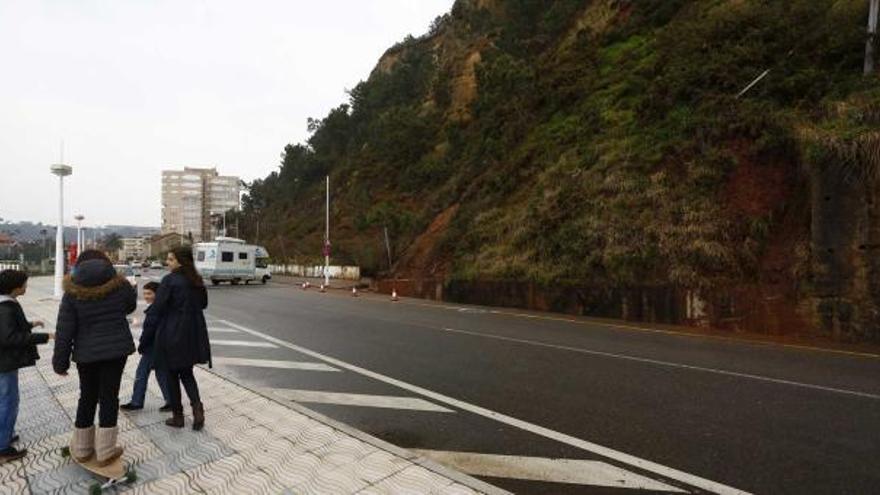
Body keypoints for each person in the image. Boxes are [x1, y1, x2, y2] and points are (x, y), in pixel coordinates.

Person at [53, 250, 136, 466]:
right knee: (109, 396)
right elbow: (130, 307)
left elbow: (64, 329)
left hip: (86, 354)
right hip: (115, 351)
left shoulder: (71, 292)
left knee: (87, 396)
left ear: (79, 265)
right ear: (106, 263)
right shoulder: (121, 285)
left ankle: (82, 449)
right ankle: (106, 452)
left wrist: (60, 362)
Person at [152, 247, 211, 430]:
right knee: (187, 373)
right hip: (192, 334)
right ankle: (198, 410)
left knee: (171, 375)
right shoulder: (196, 280)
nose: (167, 263)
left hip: (172, 333)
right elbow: (203, 304)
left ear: (180, 261)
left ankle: (178, 417)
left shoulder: (169, 281)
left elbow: (158, 307)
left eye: (170, 259)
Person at [0, 270, 52, 464]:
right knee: (8, 402)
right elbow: (8, 338)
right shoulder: (5, 308)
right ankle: (3, 448)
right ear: (15, 287)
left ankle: (4, 434)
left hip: (4, 362)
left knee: (5, 401)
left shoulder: (6, 304)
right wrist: (45, 337)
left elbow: (9, 328)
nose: (26, 287)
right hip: (4, 364)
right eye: (24, 284)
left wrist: (30, 324)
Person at [120, 281, 171, 411]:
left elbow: (149, 331)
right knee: (161, 374)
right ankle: (171, 401)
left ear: (157, 294)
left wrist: (142, 345)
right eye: (144, 294)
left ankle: (137, 402)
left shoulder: (155, 310)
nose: (146, 296)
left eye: (149, 293)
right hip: (160, 347)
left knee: (141, 374)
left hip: (152, 348)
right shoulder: (163, 307)